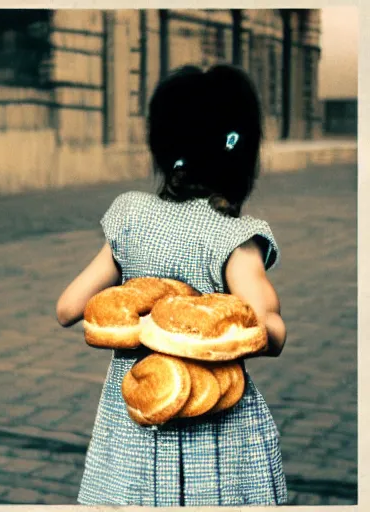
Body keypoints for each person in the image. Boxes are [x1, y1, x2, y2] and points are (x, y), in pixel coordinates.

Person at [56, 64, 288, 506]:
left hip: (135, 424)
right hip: (215, 432)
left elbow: (68, 308)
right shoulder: (233, 239)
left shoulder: (130, 216)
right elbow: (269, 331)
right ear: (241, 151)